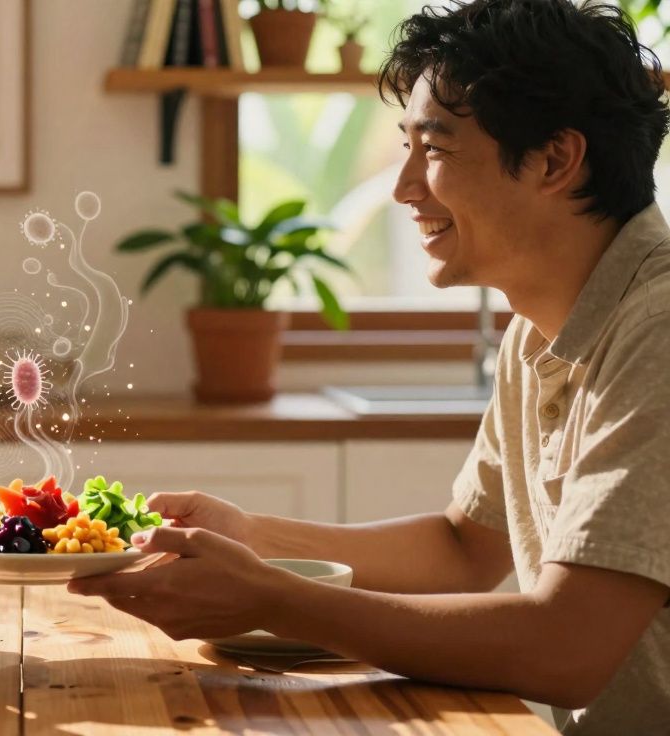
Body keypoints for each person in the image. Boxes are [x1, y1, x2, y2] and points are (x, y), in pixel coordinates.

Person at [69, 1, 670, 733]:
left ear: (554, 160)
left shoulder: (659, 329)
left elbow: (568, 646)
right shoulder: (539, 329)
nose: (404, 187)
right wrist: (251, 537)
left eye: (436, 151)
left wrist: (272, 597)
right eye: (406, 148)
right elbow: (461, 549)